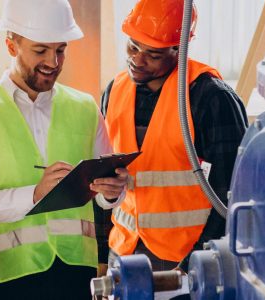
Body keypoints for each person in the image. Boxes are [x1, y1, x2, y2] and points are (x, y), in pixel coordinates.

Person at [0, 0, 127, 298]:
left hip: (75, 276)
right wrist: (34, 194)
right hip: (6, 279)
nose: (53, 62)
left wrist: (113, 191)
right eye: (40, 50)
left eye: (60, 50)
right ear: (11, 46)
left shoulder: (85, 108)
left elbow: (106, 194)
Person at [102, 0, 248, 274]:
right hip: (123, 253)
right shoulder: (115, 91)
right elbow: (104, 178)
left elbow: (230, 193)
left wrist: (197, 264)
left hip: (183, 261)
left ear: (179, 50)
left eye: (153, 54)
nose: (137, 59)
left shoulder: (211, 99)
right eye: (133, 46)